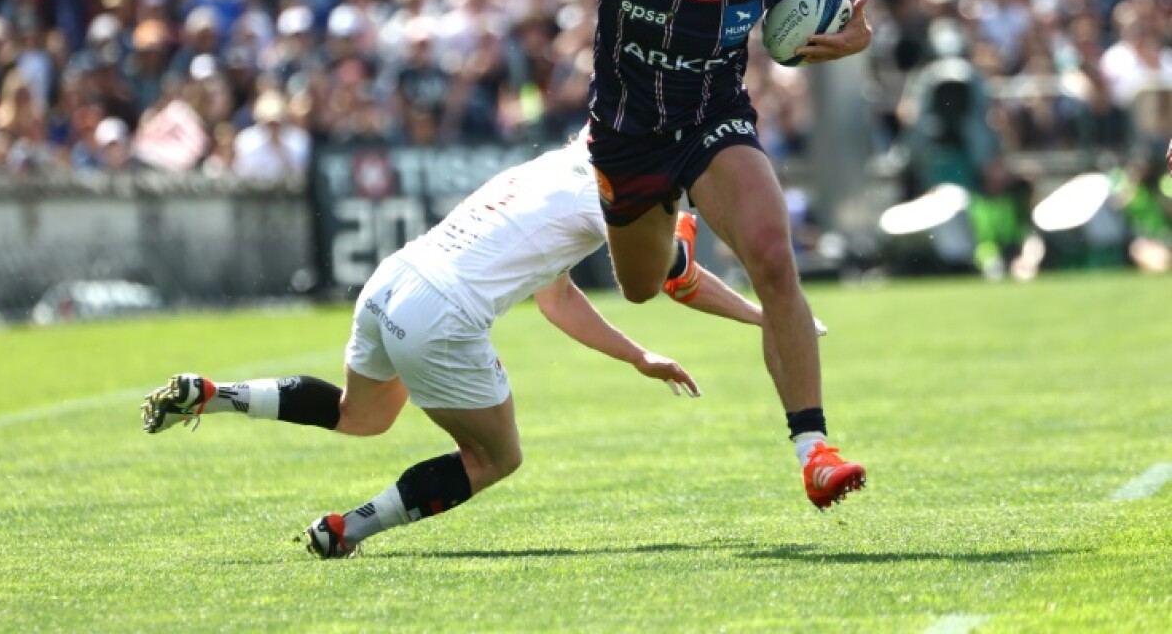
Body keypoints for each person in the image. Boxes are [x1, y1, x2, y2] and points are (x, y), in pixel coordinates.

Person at [354, 0, 871, 508]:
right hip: (627, 151)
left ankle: (815, 451)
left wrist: (858, 27)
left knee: (773, 259)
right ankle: (673, 251)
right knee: (640, 285)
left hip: (715, 125)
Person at [142, 133, 826, 558]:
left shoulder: (549, 169)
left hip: (393, 280)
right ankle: (347, 529)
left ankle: (217, 394)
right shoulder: (620, 196)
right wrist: (772, 317)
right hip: (443, 314)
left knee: (363, 414)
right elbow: (680, 278)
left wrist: (637, 355)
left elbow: (555, 296)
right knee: (497, 457)